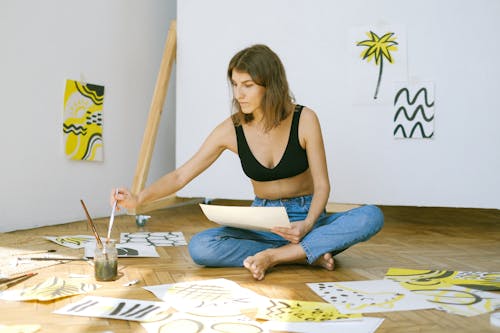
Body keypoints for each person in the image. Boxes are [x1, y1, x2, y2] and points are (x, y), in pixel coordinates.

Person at [111, 44, 384, 281]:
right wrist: (139, 198)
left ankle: (279, 256)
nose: (239, 94)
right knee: (201, 247)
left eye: (248, 85)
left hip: (306, 219)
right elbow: (181, 176)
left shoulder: (305, 120)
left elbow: (323, 185)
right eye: (235, 84)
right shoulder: (231, 129)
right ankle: (299, 255)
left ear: (270, 85)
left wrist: (309, 224)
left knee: (371, 215)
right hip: (261, 223)